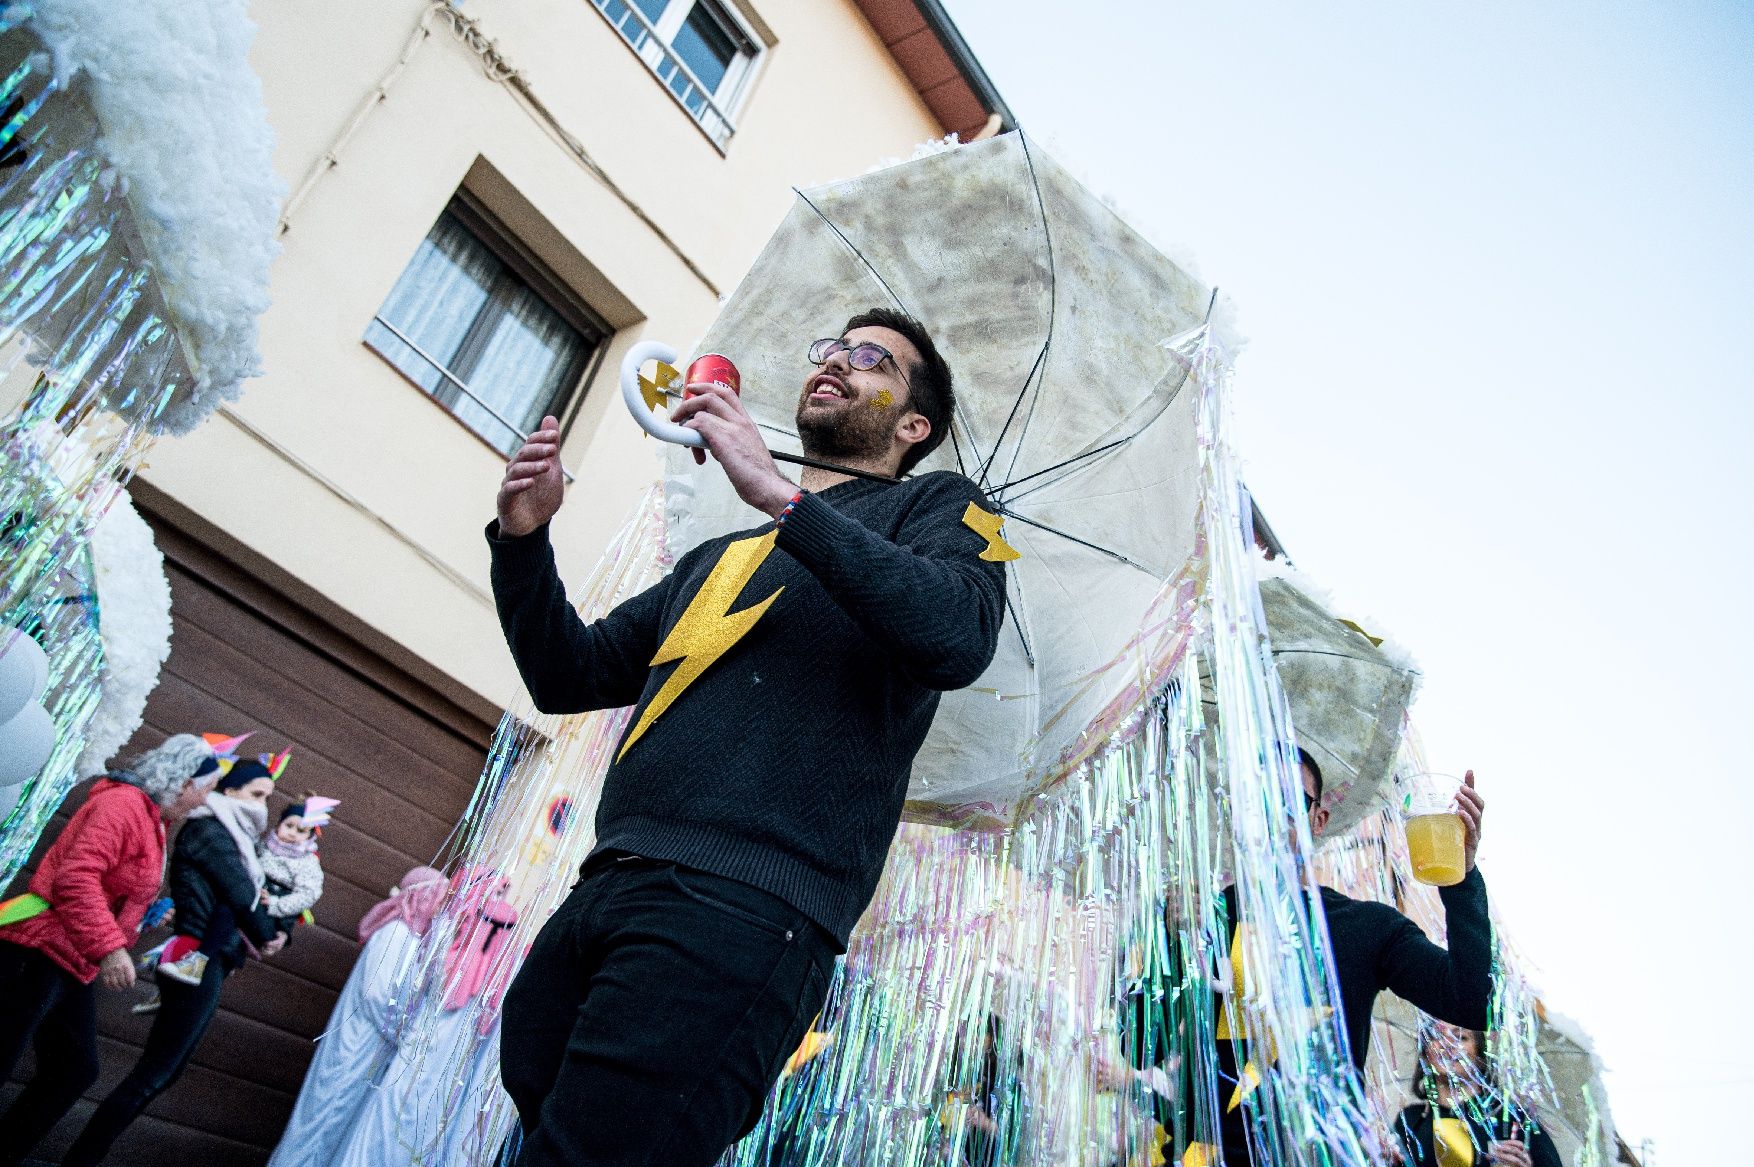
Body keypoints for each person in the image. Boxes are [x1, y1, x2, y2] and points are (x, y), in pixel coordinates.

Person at [489, 308, 1008, 1166]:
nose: (838, 361)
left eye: (873, 359)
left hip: (745, 915)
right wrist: (523, 540)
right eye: (831, 348)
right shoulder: (722, 556)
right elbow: (568, 672)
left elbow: (955, 632)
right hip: (607, 887)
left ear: (914, 425)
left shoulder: (942, 507)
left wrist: (781, 494)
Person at [1118, 749, 1495, 1165]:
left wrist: (1461, 880)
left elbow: (1469, 1000)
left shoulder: (1367, 926)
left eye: (1289, 800)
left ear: (1319, 820)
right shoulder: (1199, 920)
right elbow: (1137, 1048)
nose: (1271, 813)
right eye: (1256, 798)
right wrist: (1168, 944)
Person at [0, 733, 219, 1165]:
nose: (203, 804)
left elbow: (113, 883)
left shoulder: (152, 820)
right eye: (204, 791)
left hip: (72, 958)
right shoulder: (122, 806)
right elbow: (76, 879)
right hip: (40, 950)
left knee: (73, 1070)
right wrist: (112, 948)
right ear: (180, 780)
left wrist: (145, 911)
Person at [61, 758, 289, 1166]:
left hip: (210, 960)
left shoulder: (238, 838)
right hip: (195, 958)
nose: (263, 807)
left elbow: (254, 894)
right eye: (257, 795)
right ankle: (82, 1158)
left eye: (268, 799)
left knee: (163, 1072)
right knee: (154, 1074)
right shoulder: (210, 830)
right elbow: (241, 894)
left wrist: (280, 928)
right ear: (229, 790)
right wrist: (267, 933)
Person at [267, 865, 450, 1167]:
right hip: (356, 1046)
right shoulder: (396, 932)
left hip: (370, 1051)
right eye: (438, 899)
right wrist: (406, 1038)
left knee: (338, 1129)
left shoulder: (413, 940)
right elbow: (378, 997)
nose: (441, 909)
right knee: (322, 1123)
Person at [1394, 1023, 1561, 1167]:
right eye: (1436, 1036)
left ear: (1481, 1055)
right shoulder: (1410, 1120)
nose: (1447, 1044)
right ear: (1425, 1054)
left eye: (1461, 1037)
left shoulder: (1516, 1120)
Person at [257, 791, 338, 937]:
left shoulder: (307, 861)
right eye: (289, 826)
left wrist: (275, 903)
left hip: (274, 906)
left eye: (301, 830)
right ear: (279, 824)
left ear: (310, 835)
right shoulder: (264, 844)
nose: (293, 833)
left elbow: (308, 893)